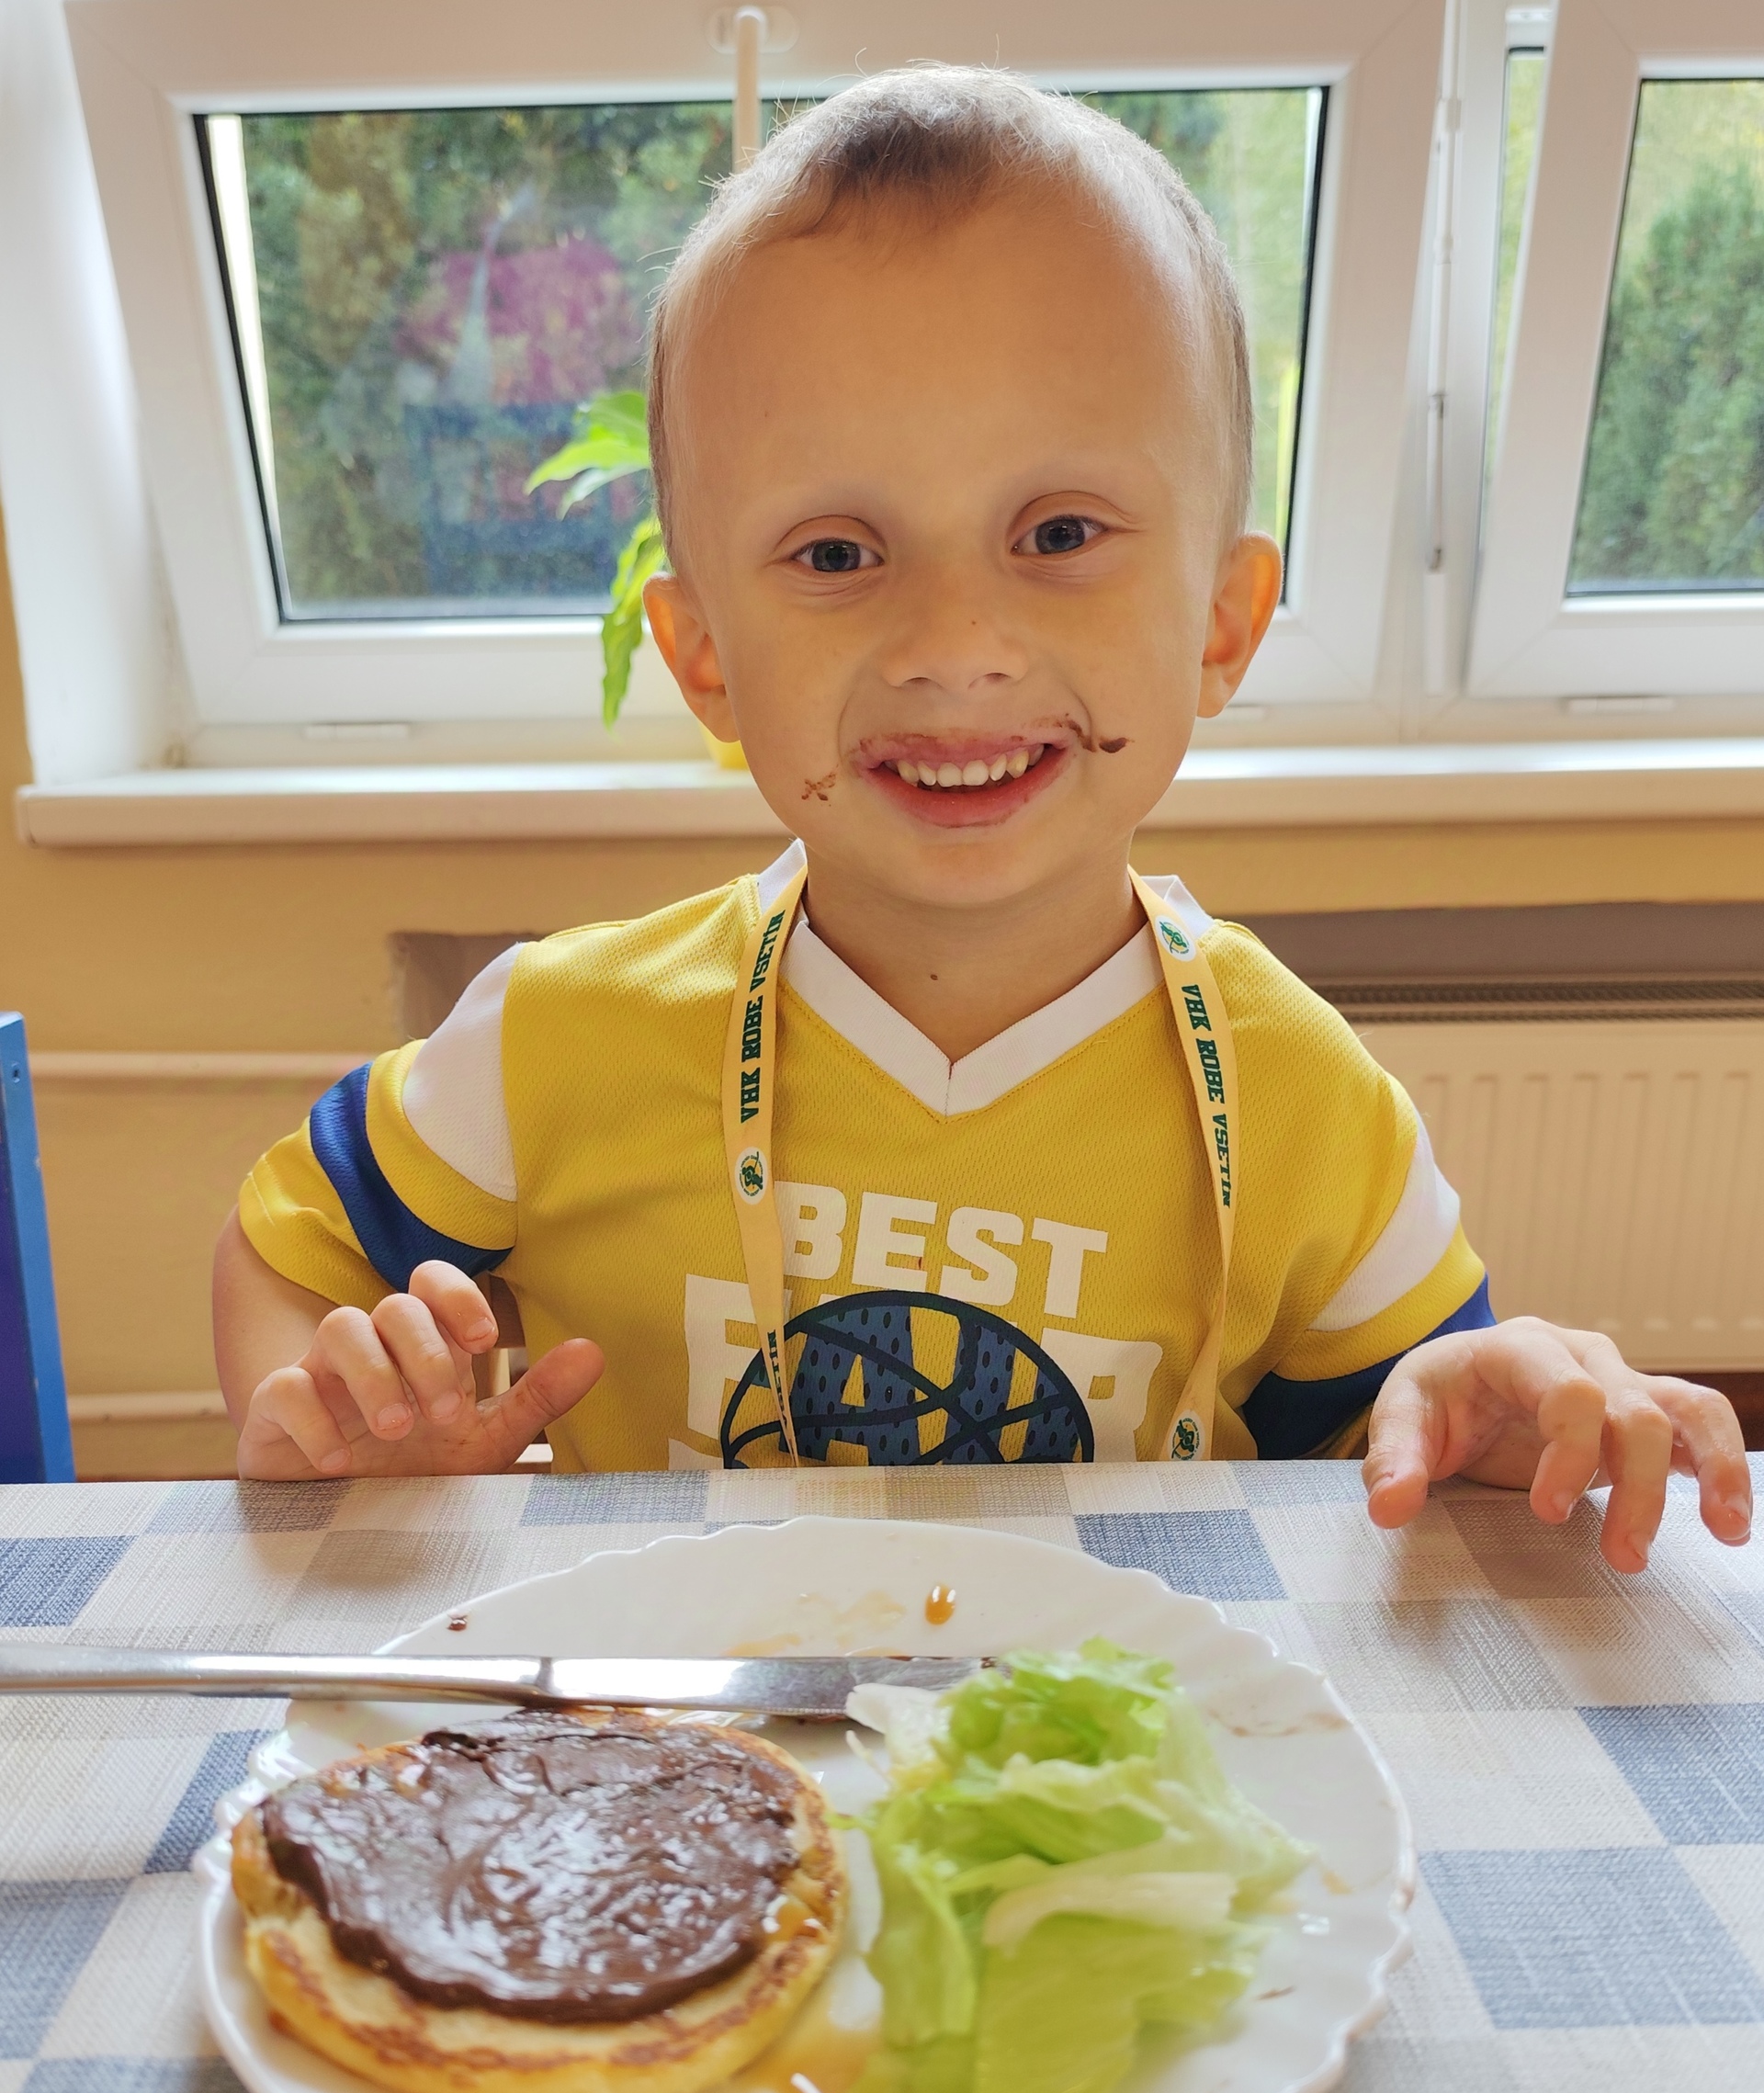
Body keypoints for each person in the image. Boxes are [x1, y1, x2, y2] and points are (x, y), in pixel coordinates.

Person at [212, 67, 1752, 1574]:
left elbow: (1408, 1440)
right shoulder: (562, 1038)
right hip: (683, 1733)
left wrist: (1484, 1413)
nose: (954, 643)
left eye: (1059, 532)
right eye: (836, 553)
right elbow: (290, 1243)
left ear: (1222, 624)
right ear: (705, 658)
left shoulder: (1305, 1101)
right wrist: (343, 1430)